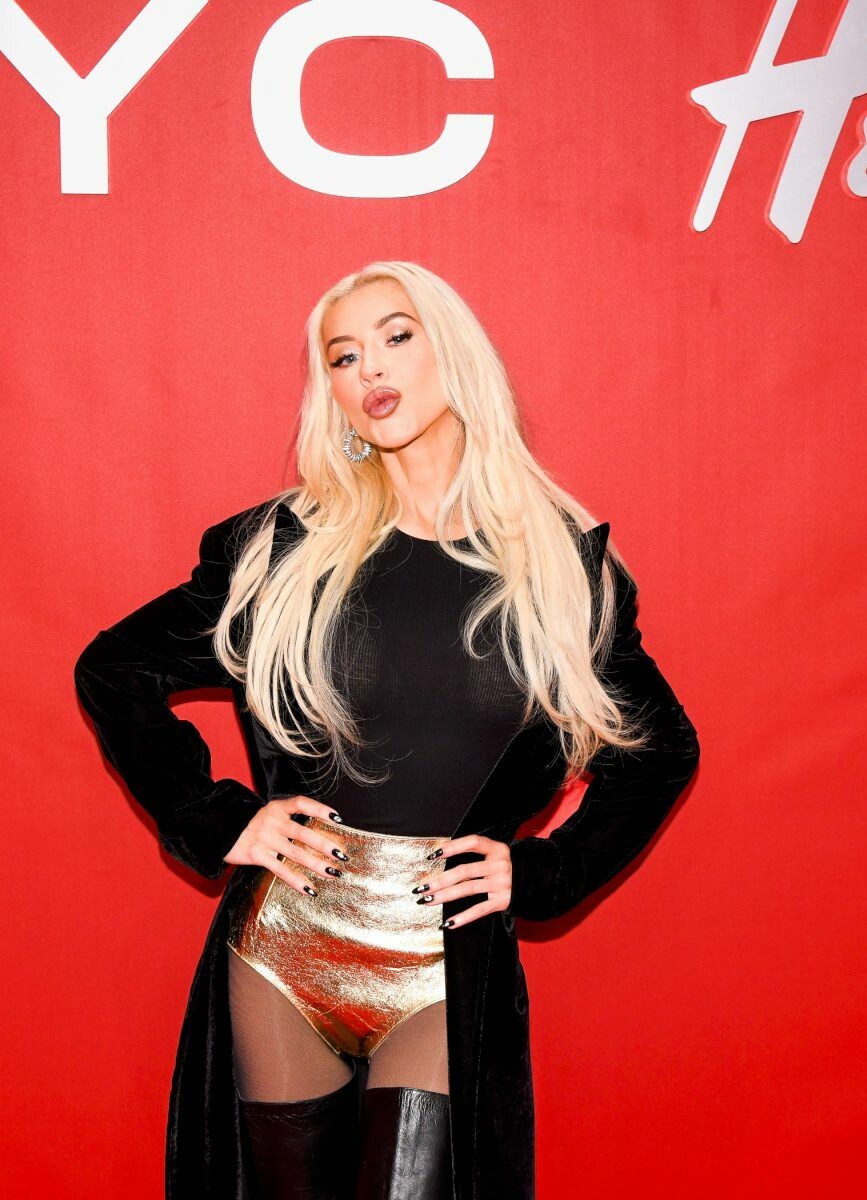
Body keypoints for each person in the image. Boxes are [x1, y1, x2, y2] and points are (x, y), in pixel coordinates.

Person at [73, 261, 701, 1199]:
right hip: (284, 947)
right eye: (342, 355)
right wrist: (216, 818)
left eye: (397, 336)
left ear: (455, 352)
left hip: (442, 961)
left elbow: (662, 752)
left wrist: (546, 871)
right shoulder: (282, 553)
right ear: (330, 393)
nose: (370, 367)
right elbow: (114, 668)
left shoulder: (563, 572)